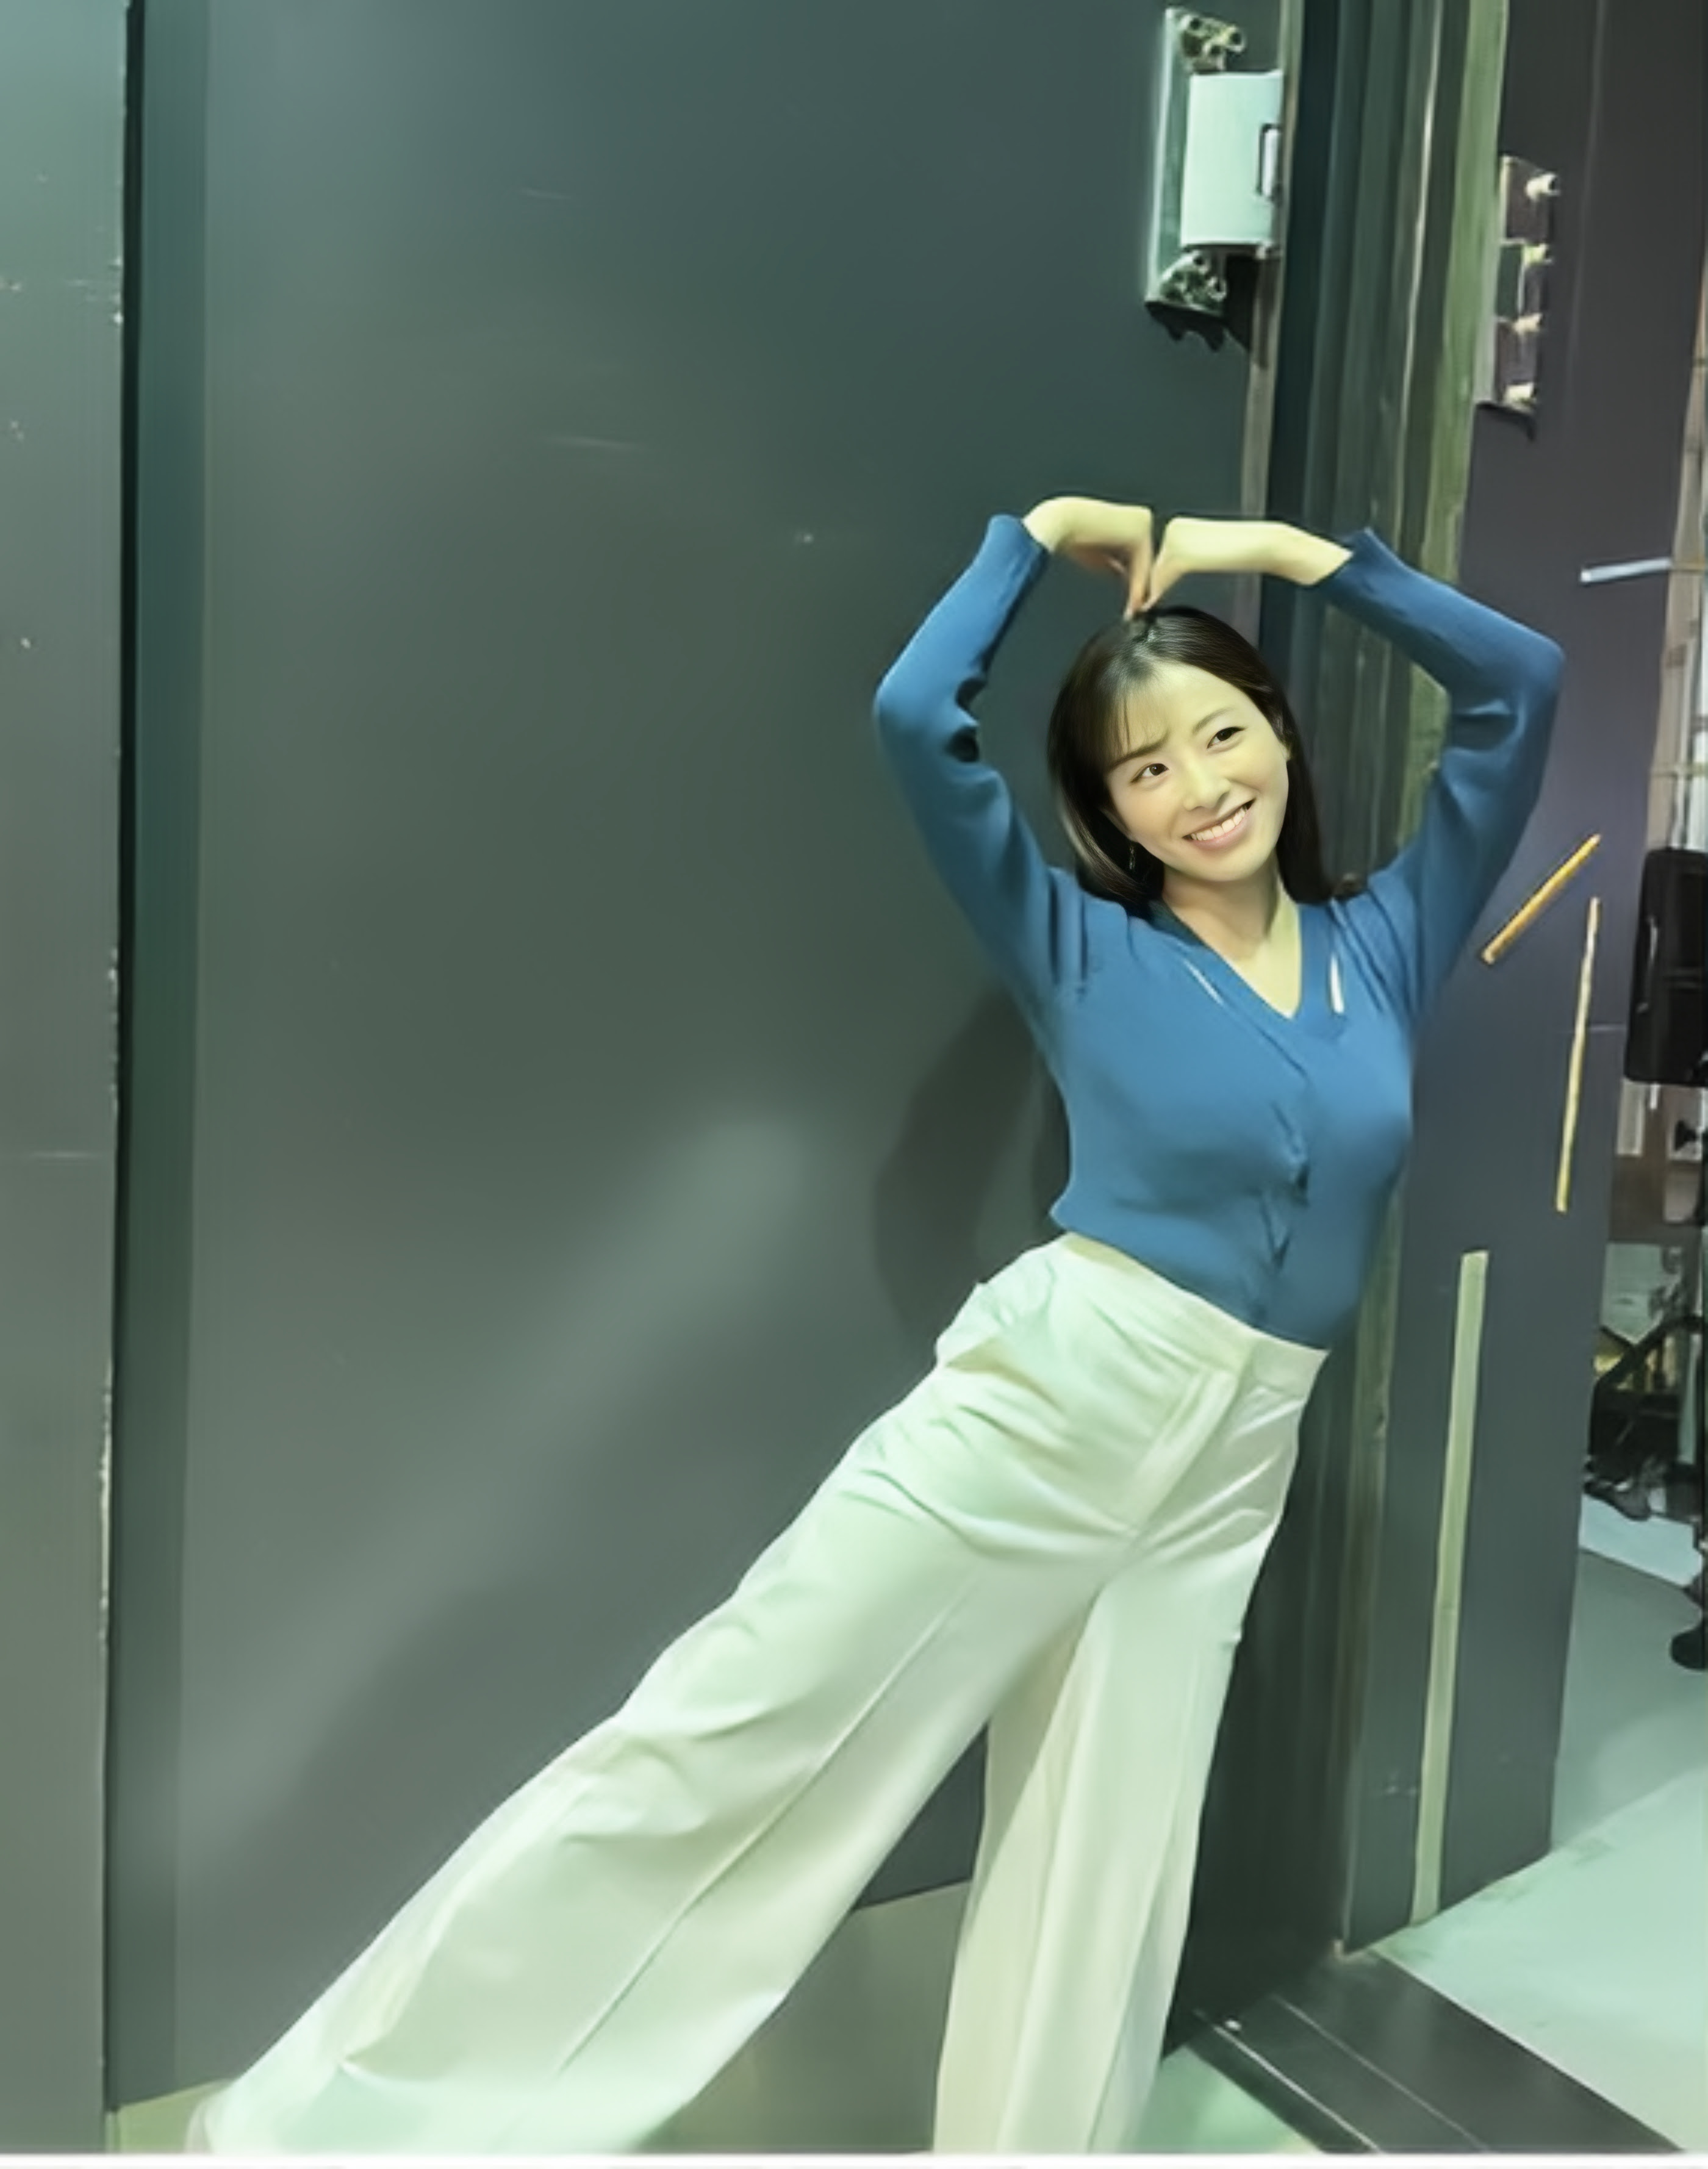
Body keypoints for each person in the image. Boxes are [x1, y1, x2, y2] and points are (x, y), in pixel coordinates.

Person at [189, 498, 1563, 2156]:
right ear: (1110, 810)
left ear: (1279, 732)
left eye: (1221, 734)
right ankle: (324, 2129)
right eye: (1145, 767)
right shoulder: (1076, 942)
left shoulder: (1385, 946)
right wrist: (1032, 538)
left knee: (1107, 1869)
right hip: (1056, 1396)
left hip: (1235, 1457)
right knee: (726, 1746)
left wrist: (1289, 559)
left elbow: (1522, 687)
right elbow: (919, 716)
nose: (1200, 786)